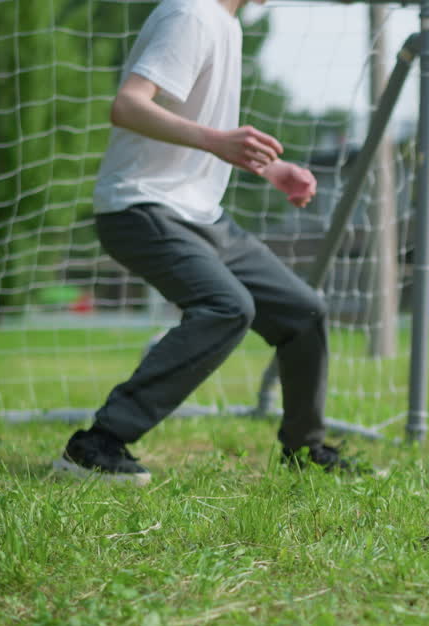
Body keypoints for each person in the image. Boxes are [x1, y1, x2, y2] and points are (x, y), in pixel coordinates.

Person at [54, 0, 359, 484]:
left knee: (303, 312)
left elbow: (207, 132)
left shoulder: (225, 23)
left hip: (201, 215)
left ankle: (305, 449)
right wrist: (216, 141)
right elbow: (128, 105)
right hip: (139, 207)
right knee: (228, 307)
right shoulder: (190, 14)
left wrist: (273, 169)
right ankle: (97, 444)